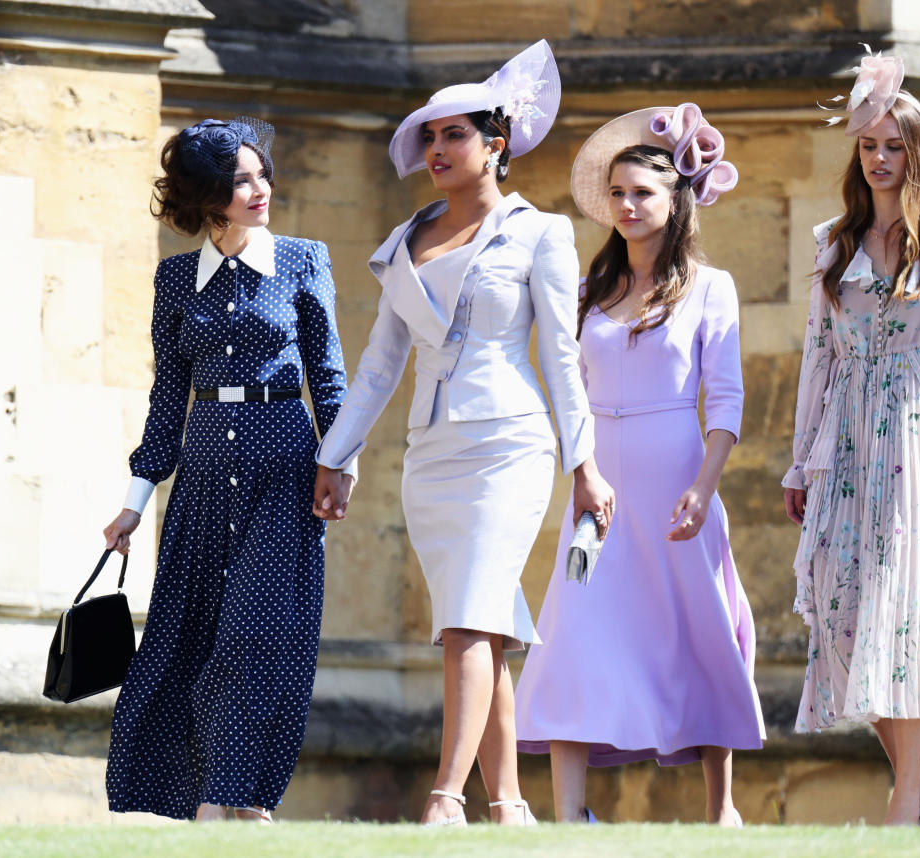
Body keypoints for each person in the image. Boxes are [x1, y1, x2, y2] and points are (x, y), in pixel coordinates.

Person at [312, 40, 613, 827]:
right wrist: (334, 455)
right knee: (484, 621)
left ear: (496, 143)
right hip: (430, 458)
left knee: (467, 622)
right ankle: (511, 806)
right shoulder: (407, 239)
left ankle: (445, 799)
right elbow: (378, 367)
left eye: (455, 134)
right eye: (431, 136)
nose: (437, 149)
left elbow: (561, 356)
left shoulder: (540, 234)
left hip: (511, 445)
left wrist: (585, 463)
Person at [514, 104, 765, 826]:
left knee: (700, 629)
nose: (627, 205)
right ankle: (569, 816)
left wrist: (703, 487)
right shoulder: (589, 292)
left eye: (643, 193)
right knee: (575, 627)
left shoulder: (711, 288)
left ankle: (721, 810)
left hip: (678, 479)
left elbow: (725, 399)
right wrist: (580, 471)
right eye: (617, 194)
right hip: (598, 484)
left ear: (675, 200)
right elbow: (570, 392)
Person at [101, 117, 350, 822]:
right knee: (187, 642)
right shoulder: (176, 279)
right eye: (241, 179)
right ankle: (229, 806)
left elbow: (328, 377)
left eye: (261, 173)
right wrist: (134, 498)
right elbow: (164, 398)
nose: (260, 187)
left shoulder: (303, 260)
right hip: (203, 475)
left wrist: (339, 461)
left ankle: (228, 800)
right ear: (208, 194)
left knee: (253, 635)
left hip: (286, 468)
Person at [782, 49, 920, 826]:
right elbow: (815, 355)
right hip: (844, 438)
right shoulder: (831, 242)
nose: (878, 159)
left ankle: (906, 793)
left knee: (901, 611)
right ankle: (917, 766)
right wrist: (799, 460)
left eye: (893, 146)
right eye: (867, 146)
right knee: (843, 614)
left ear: (918, 151)